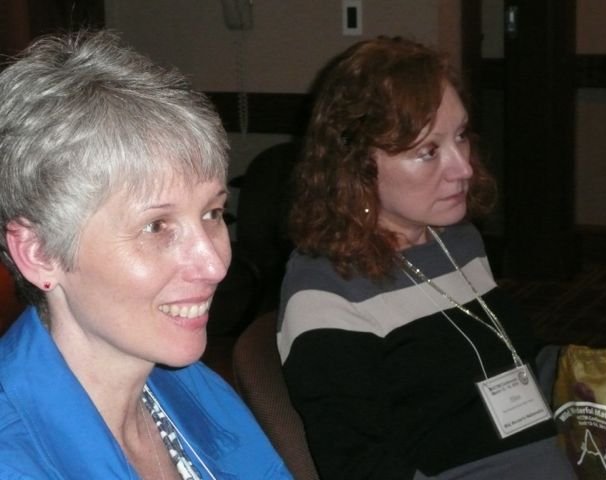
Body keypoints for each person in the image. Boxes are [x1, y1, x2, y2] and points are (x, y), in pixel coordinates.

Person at [277, 36, 575, 479]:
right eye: (428, 152)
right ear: (358, 166)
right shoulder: (326, 290)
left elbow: (514, 361)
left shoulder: (457, 242)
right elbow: (358, 465)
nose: (464, 168)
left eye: (461, 136)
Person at [0, 30, 291, 479]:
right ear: (39, 253)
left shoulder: (188, 385)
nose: (215, 265)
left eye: (212, 213)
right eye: (156, 227)